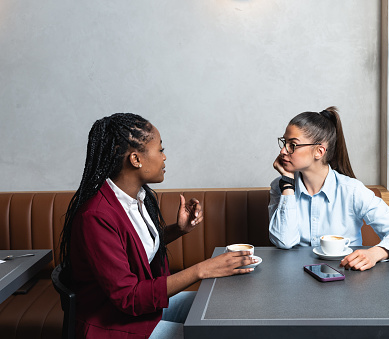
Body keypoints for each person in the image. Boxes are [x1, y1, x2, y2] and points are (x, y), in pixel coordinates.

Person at [59, 113, 257, 339]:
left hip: (146, 313)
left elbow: (131, 246)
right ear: (136, 159)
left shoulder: (136, 198)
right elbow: (129, 298)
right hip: (116, 326)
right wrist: (203, 269)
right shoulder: (95, 216)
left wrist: (178, 230)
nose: (164, 158)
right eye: (160, 150)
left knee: (225, 307)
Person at [269, 107, 389, 271]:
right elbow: (285, 241)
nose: (283, 151)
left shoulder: (352, 191)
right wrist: (287, 186)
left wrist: (375, 253)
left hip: (347, 278)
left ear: (319, 151)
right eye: (284, 143)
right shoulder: (280, 187)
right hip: (295, 279)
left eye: (292, 145)